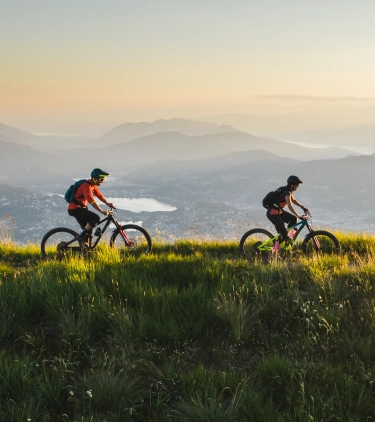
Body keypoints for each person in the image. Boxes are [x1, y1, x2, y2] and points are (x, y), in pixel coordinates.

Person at [68, 168, 115, 247]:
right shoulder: (86, 186)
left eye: (104, 179)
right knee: (96, 218)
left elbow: (99, 195)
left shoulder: (92, 185)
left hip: (80, 209)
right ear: (95, 178)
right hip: (75, 209)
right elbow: (91, 201)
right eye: (101, 179)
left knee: (89, 229)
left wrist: (108, 203)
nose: (102, 181)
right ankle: (81, 237)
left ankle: (86, 248)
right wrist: (102, 211)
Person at [266, 175, 308, 251]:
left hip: (278, 212)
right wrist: (298, 216)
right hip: (272, 213)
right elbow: (290, 206)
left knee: (293, 219)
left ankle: (287, 239)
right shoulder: (286, 192)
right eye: (297, 185)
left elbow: (294, 200)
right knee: (283, 234)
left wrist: (303, 207)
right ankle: (274, 251)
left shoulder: (289, 192)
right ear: (292, 185)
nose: (298, 186)